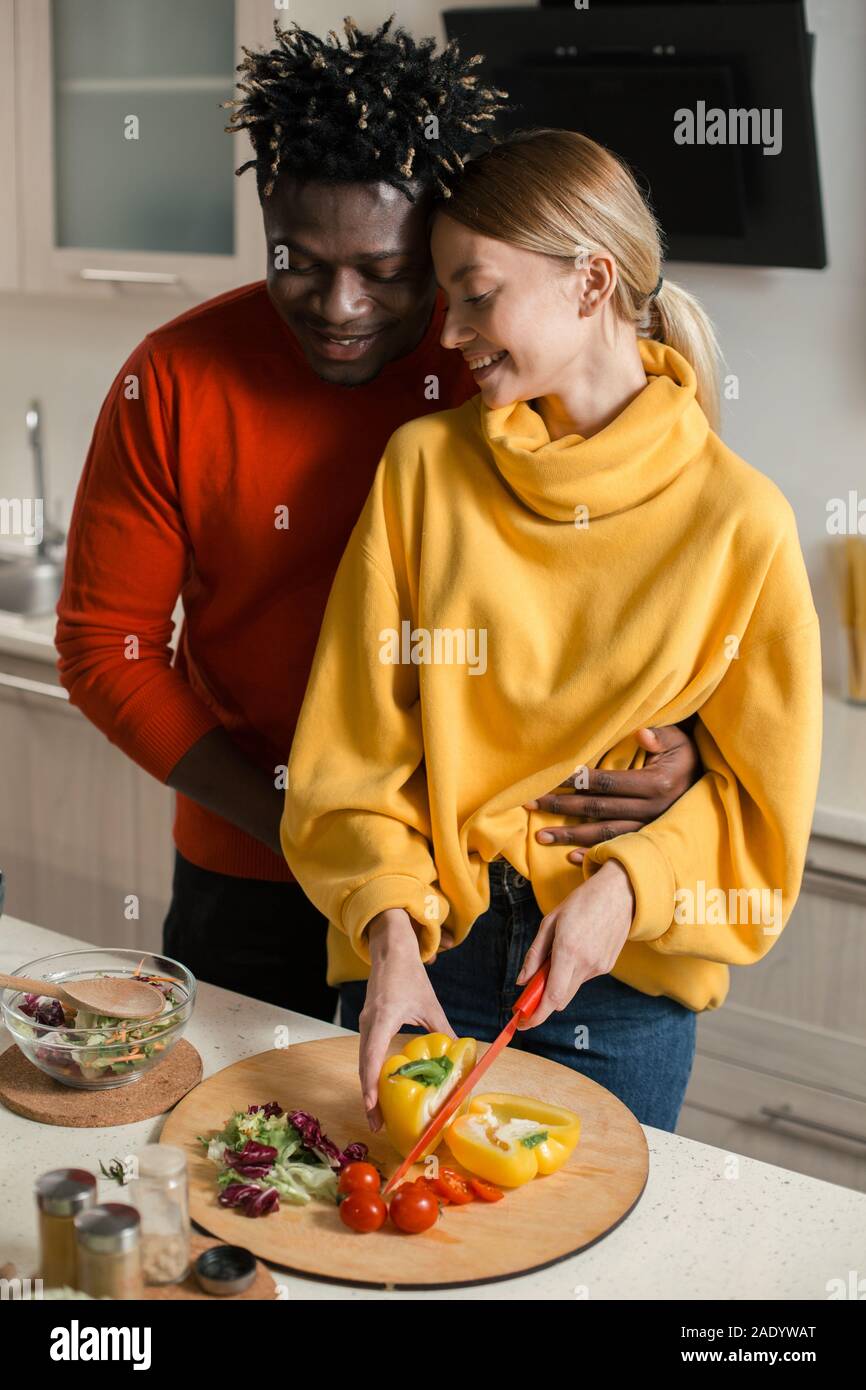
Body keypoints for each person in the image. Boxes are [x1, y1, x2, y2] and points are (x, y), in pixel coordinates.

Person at [54, 22, 700, 1022]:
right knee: (249, 1163)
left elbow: (653, 570)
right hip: (252, 873)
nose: (337, 303)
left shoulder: (496, 365)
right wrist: (314, 831)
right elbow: (108, 648)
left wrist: (688, 741)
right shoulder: (174, 376)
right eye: (298, 260)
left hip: (486, 881)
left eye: (385, 270)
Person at [281, 127, 823, 1131]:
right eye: (446, 299)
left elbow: (762, 813)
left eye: (476, 294)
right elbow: (348, 759)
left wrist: (625, 890)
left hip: (614, 993)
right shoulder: (422, 473)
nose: (449, 332)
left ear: (589, 282)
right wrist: (386, 935)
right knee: (387, 1268)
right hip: (420, 956)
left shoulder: (738, 522)